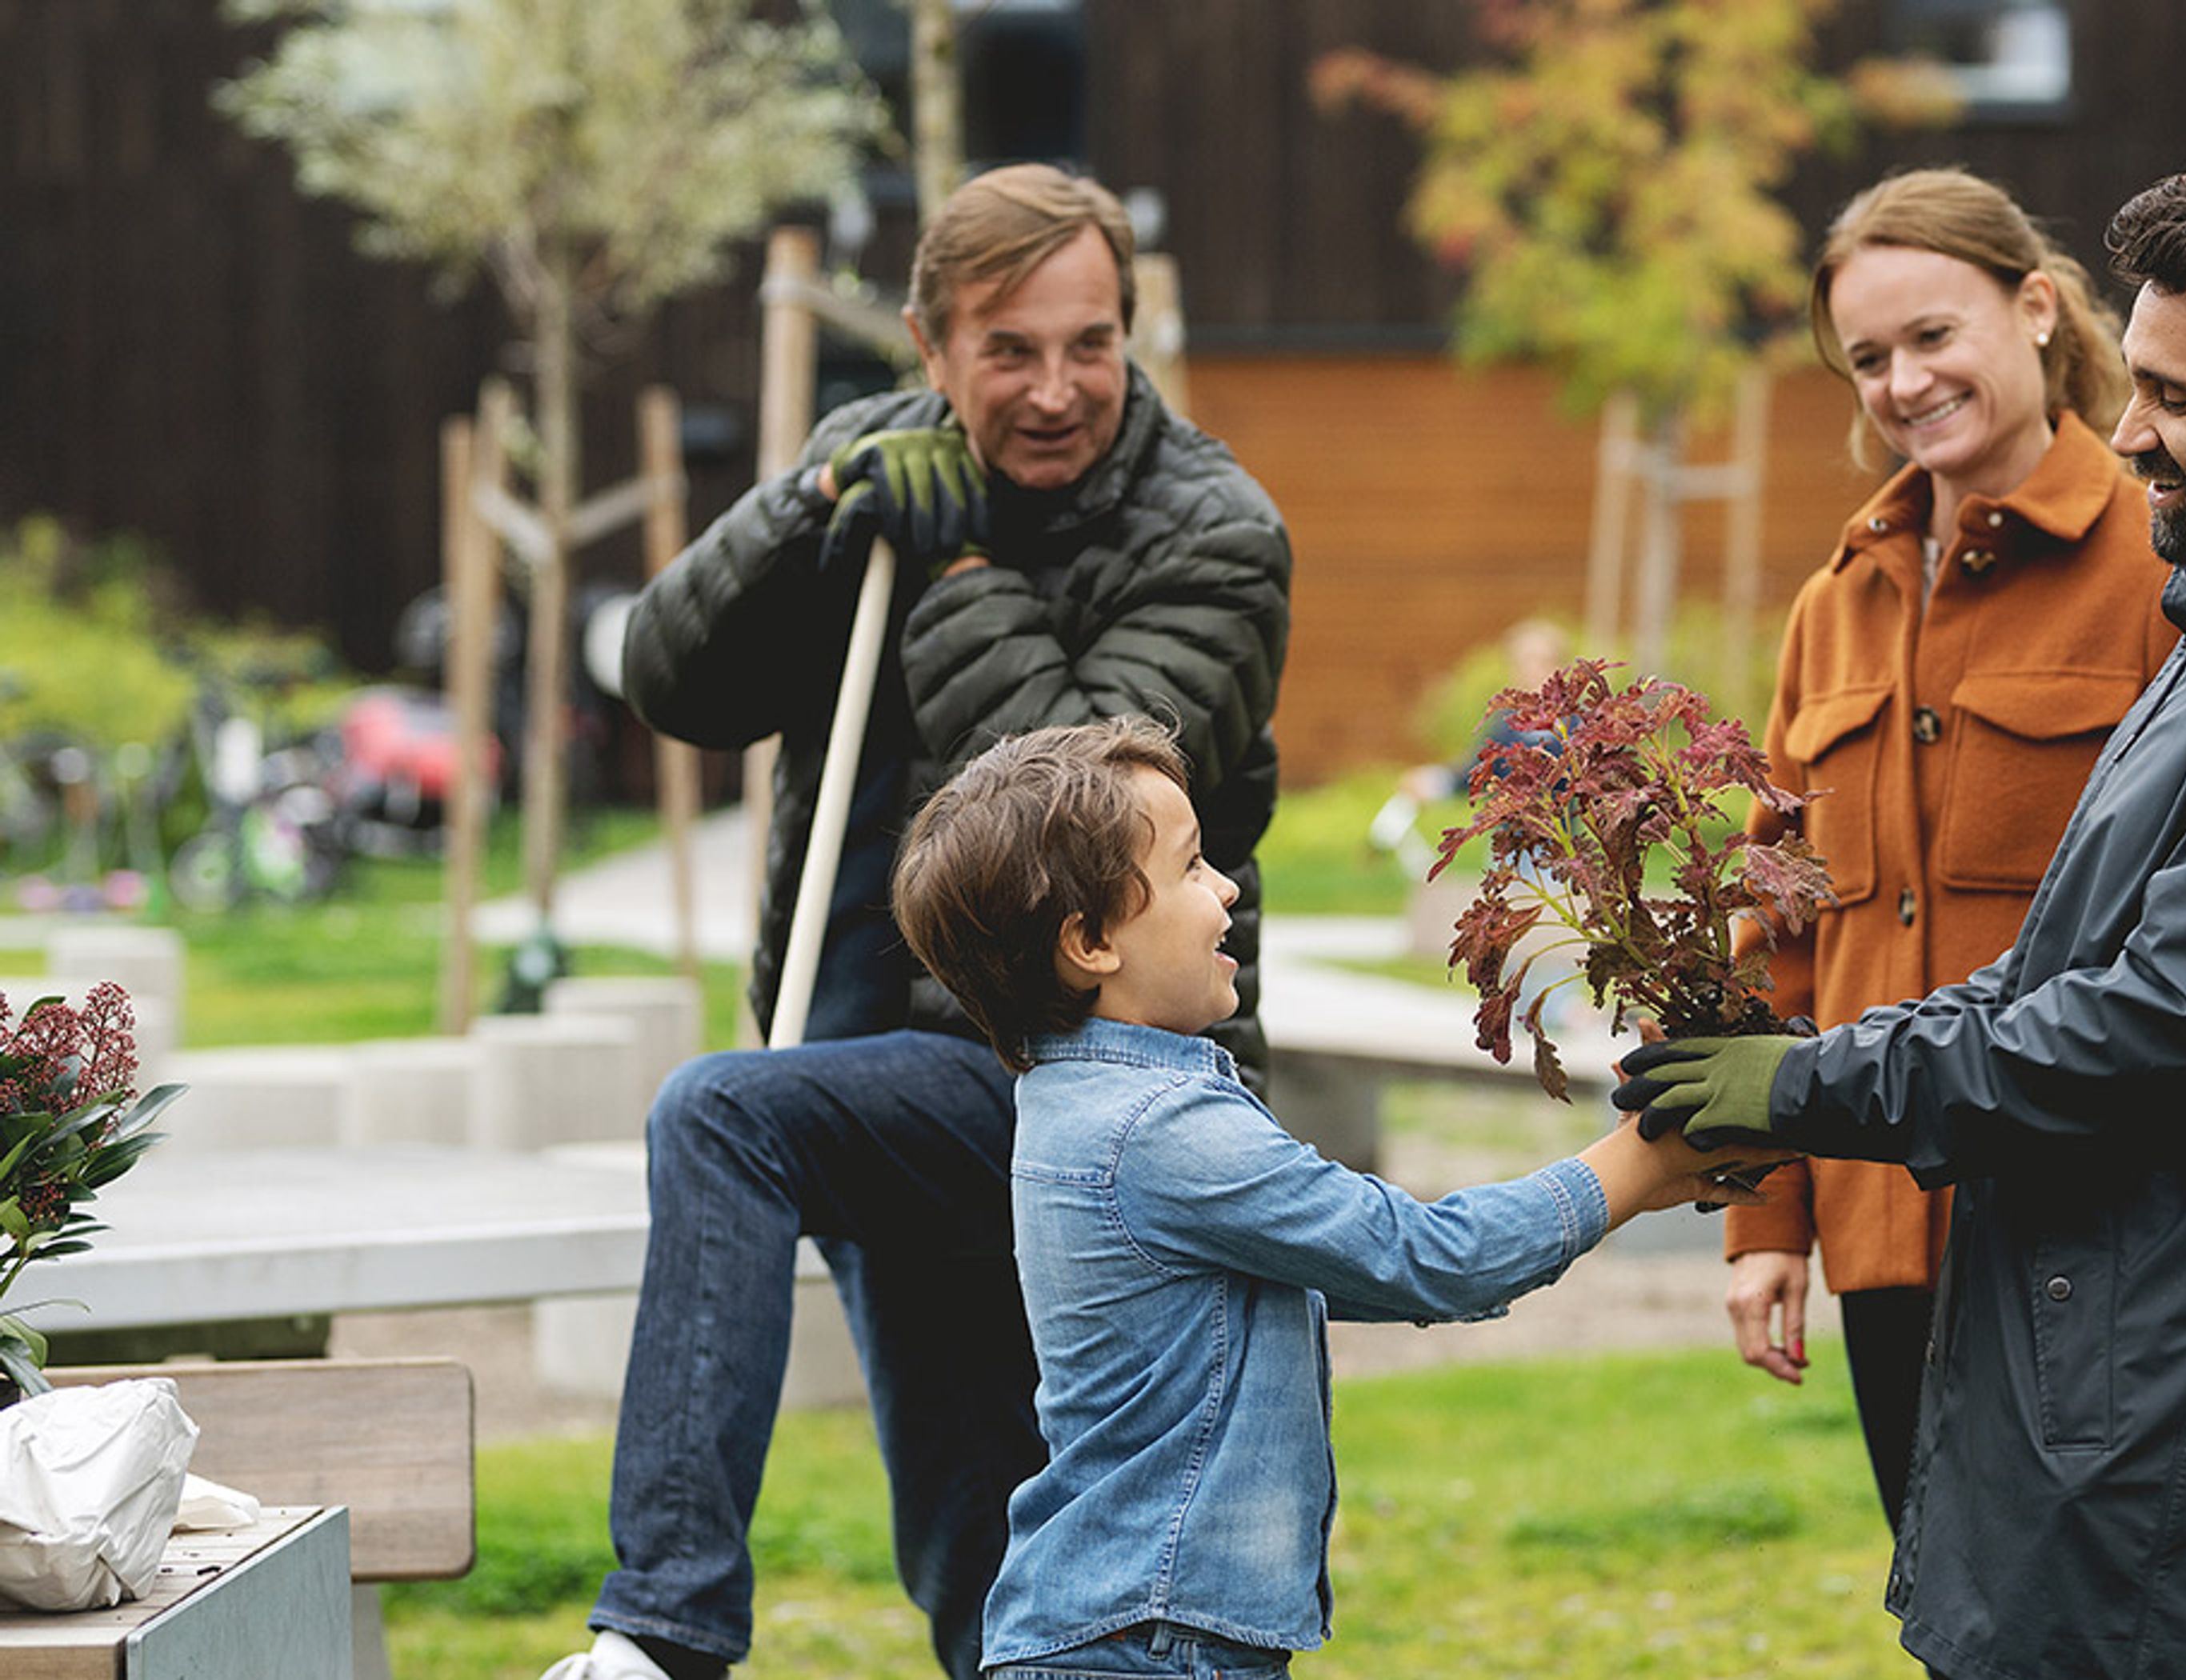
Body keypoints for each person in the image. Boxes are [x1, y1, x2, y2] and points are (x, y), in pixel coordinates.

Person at [1617, 142, 2186, 1680]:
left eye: (2178, 399)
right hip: (2086, 1316)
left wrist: (1809, 1081)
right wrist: (1785, 1124)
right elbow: (2060, 963)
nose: (2128, 431)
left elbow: (2155, 1018)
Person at [543, 165, 1291, 1680]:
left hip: (1079, 1084)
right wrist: (813, 506)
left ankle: (664, 1633)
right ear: (929, 345)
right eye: (1008, 350)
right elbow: (674, 682)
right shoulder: (867, 467)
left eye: (1091, 343)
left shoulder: (1212, 531)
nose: (1057, 388)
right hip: (873, 1059)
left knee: (721, 1119)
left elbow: (1083, 829)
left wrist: (957, 571)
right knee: (973, 1553)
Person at [887, 717, 1781, 1678]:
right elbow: (1428, 1258)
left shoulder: (1082, 1103)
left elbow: (1354, 1266)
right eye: (1191, 869)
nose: (1227, 888)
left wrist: (1632, 1186)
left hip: (1124, 1629)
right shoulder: (1157, 1129)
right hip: (1147, 1645)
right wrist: (1633, 1165)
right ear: (1090, 940)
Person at [1719, 167, 2182, 1531]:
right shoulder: (1833, 607)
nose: (1903, 382)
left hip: (2086, 1233)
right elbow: (1777, 940)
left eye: (1933, 335)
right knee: (1949, 1628)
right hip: (1879, 1233)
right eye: (1868, 358)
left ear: (2036, 309)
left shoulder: (2165, 569)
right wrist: (1764, 1225)